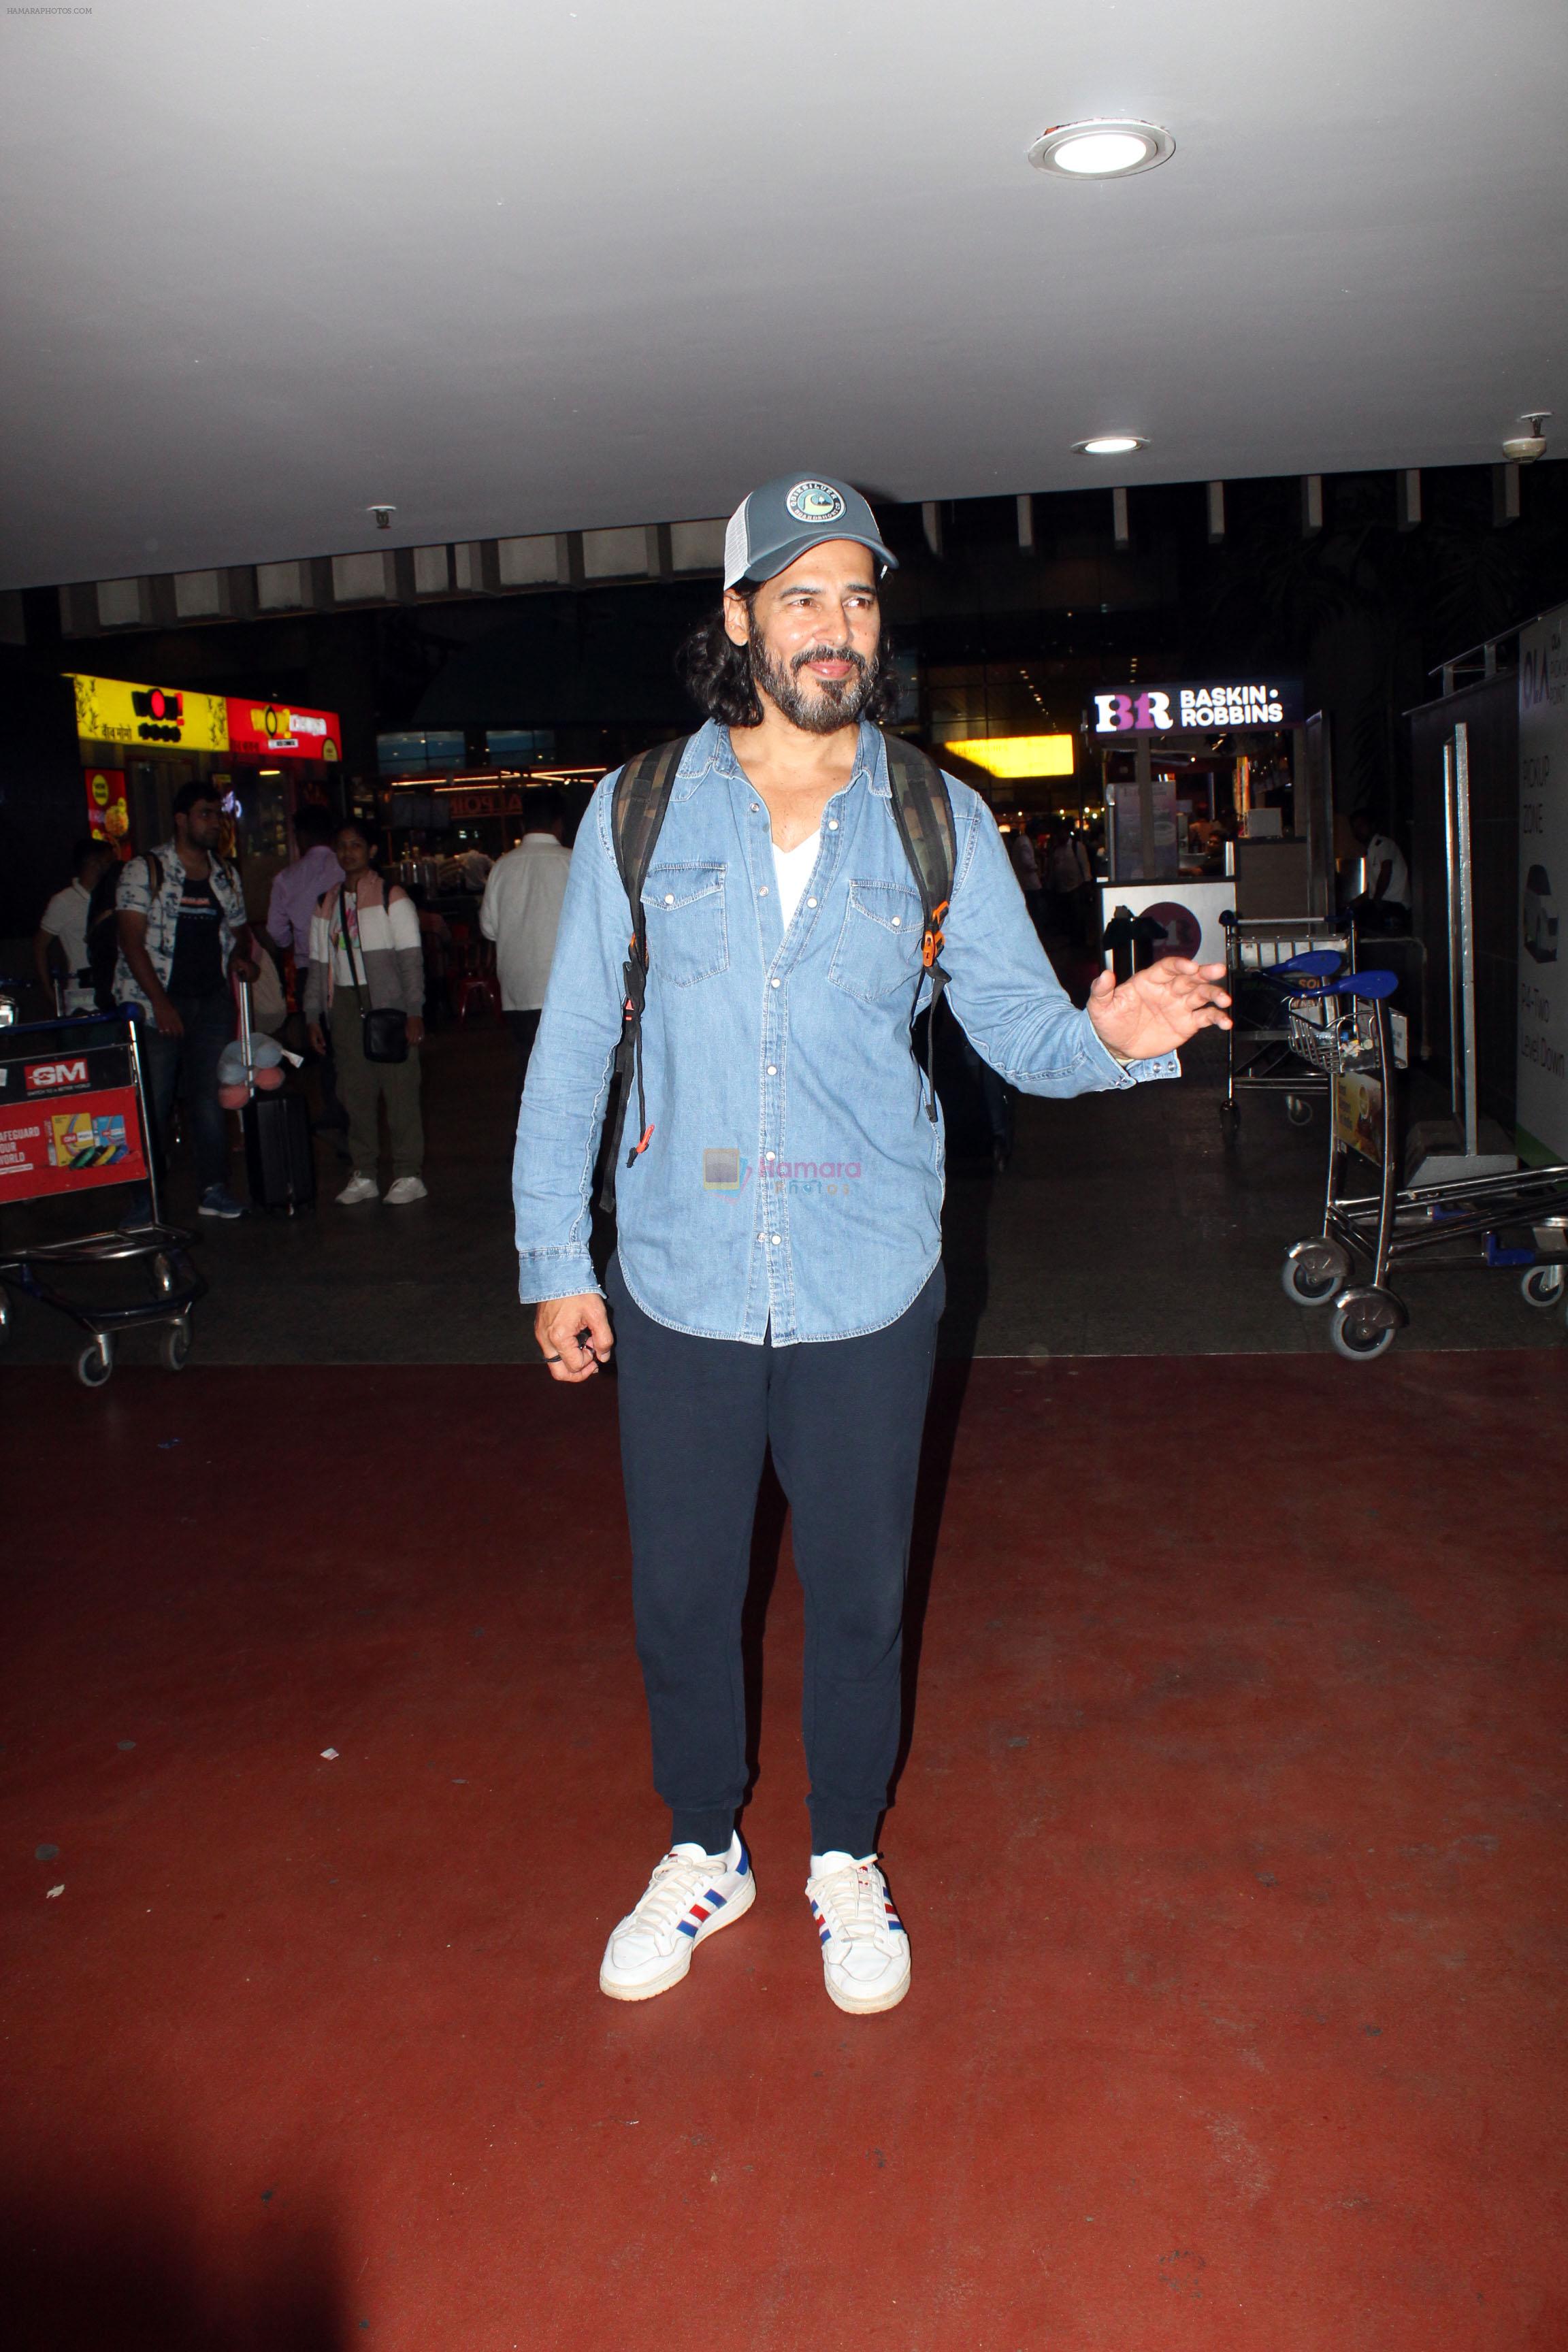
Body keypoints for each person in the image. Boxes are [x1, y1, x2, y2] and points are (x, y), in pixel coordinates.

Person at [513, 470, 1230, 2016]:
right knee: (686, 1596)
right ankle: (705, 1845)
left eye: (856, 596)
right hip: (683, 1274)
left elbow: (1024, 1036)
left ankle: (845, 1854)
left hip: (868, 1275)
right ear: (738, 620)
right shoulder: (639, 807)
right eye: (801, 595)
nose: (835, 627)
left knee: (854, 1593)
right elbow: (574, 1047)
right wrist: (550, 1260)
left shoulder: (935, 812)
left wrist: (1112, 1035)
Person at [115, 782, 257, 1220]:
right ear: (181, 819)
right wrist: (160, 1003)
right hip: (155, 1003)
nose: (215, 822)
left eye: (218, 814)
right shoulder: (146, 870)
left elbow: (241, 932)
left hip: (210, 1003)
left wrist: (240, 959)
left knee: (209, 1099)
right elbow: (131, 940)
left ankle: (212, 1188)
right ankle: (144, 1200)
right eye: (205, 814)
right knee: (152, 1103)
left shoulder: (224, 874)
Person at [304, 819, 428, 1205]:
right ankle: (365, 1172)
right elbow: (316, 965)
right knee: (354, 1091)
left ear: (372, 851)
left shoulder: (393, 897)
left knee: (399, 1090)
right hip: (343, 1002)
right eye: (342, 845)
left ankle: (409, 1173)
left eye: (356, 845)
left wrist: (414, 1010)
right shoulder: (326, 902)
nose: (348, 852)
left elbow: (411, 960)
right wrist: (312, 1015)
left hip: (387, 1004)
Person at [478, 788, 572, 1096]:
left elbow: (489, 928)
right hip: (565, 991)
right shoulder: (573, 863)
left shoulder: (502, 867)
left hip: (518, 991)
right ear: (560, 824)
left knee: (528, 1072)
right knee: (568, 1077)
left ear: (523, 825)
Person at [259, 805, 348, 1130]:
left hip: (310, 968)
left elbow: (276, 930)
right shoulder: (345, 867)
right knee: (350, 1038)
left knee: (322, 1041)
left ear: (303, 837)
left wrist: (295, 943)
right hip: (348, 966)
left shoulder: (286, 878)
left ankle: (334, 1107)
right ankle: (356, 1103)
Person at [35, 838, 114, 1013]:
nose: (111, 868)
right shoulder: (64, 901)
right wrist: (50, 994)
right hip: (82, 996)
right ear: (93, 863)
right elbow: (40, 946)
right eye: (108, 862)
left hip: (112, 990)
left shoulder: (110, 896)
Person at [1348, 809, 1411, 930]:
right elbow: (1371, 890)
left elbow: (1386, 871)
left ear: (1371, 826)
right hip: (1383, 903)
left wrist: (1376, 900)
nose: (1358, 831)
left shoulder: (1383, 844)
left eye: (1361, 825)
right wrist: (1352, 905)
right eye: (1355, 828)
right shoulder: (1369, 852)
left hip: (1395, 904)